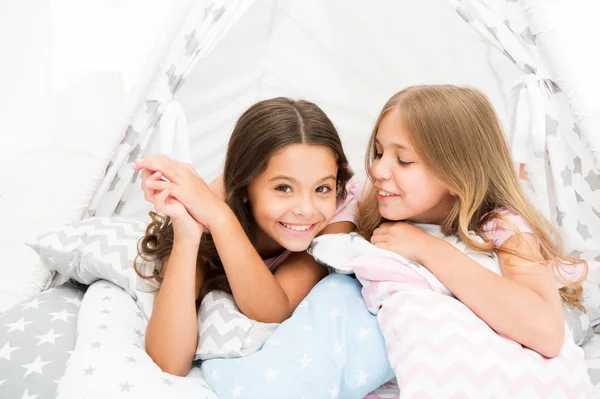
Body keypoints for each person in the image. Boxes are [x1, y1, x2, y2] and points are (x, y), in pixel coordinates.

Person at [132, 97, 359, 375]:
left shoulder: (335, 218)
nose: (306, 209)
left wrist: (220, 218)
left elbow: (274, 311)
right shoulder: (207, 222)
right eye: (284, 188)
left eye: (322, 188)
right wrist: (188, 237)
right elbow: (168, 362)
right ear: (244, 187)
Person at [358, 85, 587, 358]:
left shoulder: (503, 228)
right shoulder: (370, 202)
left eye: (404, 160)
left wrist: (430, 249)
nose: (377, 169)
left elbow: (548, 333)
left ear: (458, 175)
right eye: (379, 152)